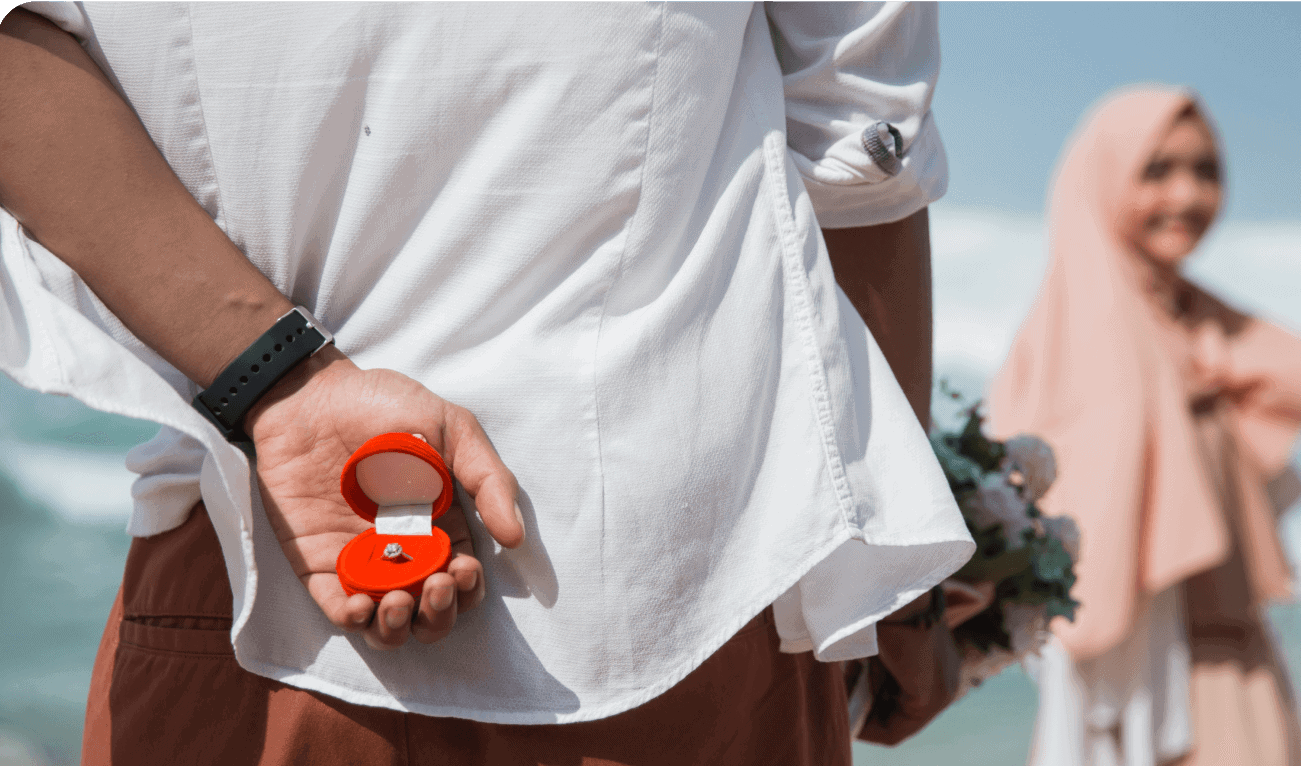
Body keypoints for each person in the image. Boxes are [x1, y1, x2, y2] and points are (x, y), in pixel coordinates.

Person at [0, 3, 974, 763]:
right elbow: (858, 159)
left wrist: (279, 382)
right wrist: (903, 601)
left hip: (245, 554)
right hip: (675, 606)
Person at [985, 86, 1301, 766]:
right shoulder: (1090, 334)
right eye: (1155, 170)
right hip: (1153, 689)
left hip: (1240, 665)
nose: (1186, 196)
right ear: (1100, 180)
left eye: (1205, 171)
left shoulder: (1194, 323)